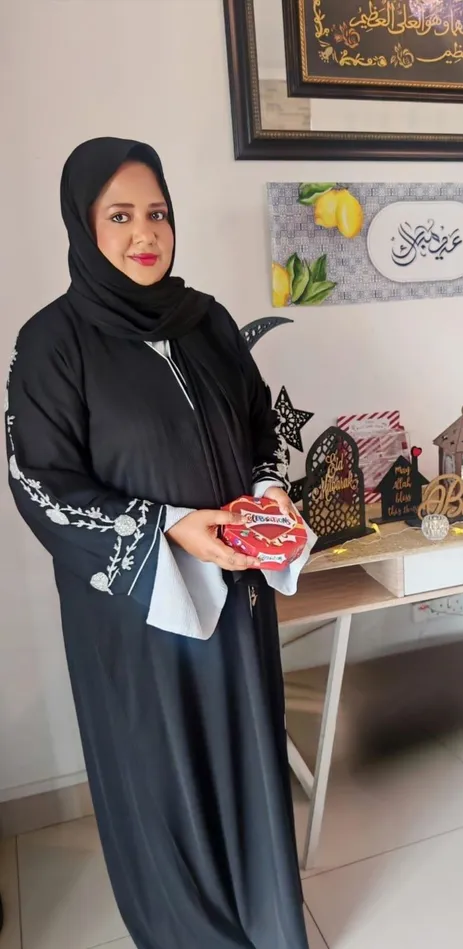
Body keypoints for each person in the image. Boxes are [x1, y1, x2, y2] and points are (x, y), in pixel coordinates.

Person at [6, 138, 310, 949]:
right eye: (120, 216)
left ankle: (268, 921)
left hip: (237, 596)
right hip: (138, 615)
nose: (145, 233)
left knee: (246, 757)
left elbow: (260, 431)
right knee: (164, 775)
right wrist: (172, 525)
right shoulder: (52, 343)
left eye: (157, 213)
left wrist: (269, 495)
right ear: (83, 225)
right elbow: (40, 482)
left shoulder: (206, 320)